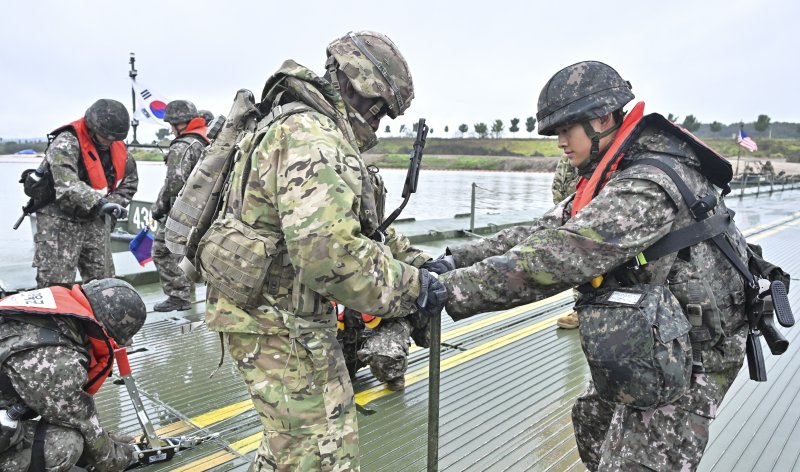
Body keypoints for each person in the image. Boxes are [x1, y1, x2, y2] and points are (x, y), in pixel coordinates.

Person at [438, 61, 751, 471]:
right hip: (656, 333)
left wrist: (449, 290)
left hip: (696, 351)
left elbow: (560, 255)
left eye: (567, 129)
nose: (560, 144)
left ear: (603, 119)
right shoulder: (614, 172)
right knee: (592, 421)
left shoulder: (646, 184)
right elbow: (541, 232)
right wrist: (451, 262)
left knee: (635, 462)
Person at [201, 31, 447, 470]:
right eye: (381, 112)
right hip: (278, 322)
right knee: (318, 453)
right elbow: (332, 259)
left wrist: (418, 263)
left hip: (270, 314)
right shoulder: (312, 138)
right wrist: (413, 288)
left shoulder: (297, 123)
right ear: (363, 89)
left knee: (292, 445)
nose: (377, 123)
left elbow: (356, 226)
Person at [0, 278, 147, 471]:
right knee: (66, 444)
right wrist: (125, 456)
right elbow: (82, 423)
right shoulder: (55, 359)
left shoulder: (40, 314)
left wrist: (104, 440)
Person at [33, 99, 138, 289]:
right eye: (104, 136)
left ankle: (100, 319)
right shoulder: (66, 142)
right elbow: (66, 184)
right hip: (59, 220)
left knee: (105, 281)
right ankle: (57, 319)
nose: (108, 142)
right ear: (91, 127)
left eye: (113, 138)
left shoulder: (118, 148)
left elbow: (130, 181)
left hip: (95, 219)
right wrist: (100, 202)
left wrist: (112, 203)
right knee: (56, 283)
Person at [150, 100, 210, 312]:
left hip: (182, 211)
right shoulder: (205, 140)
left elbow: (174, 184)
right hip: (205, 209)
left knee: (161, 251)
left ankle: (178, 296)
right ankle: (193, 292)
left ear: (178, 124)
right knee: (193, 252)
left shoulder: (181, 146)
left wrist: (158, 209)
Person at [551, 155, 581, 329]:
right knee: (576, 263)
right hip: (572, 215)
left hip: (596, 215)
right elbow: (557, 186)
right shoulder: (567, 159)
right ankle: (580, 309)